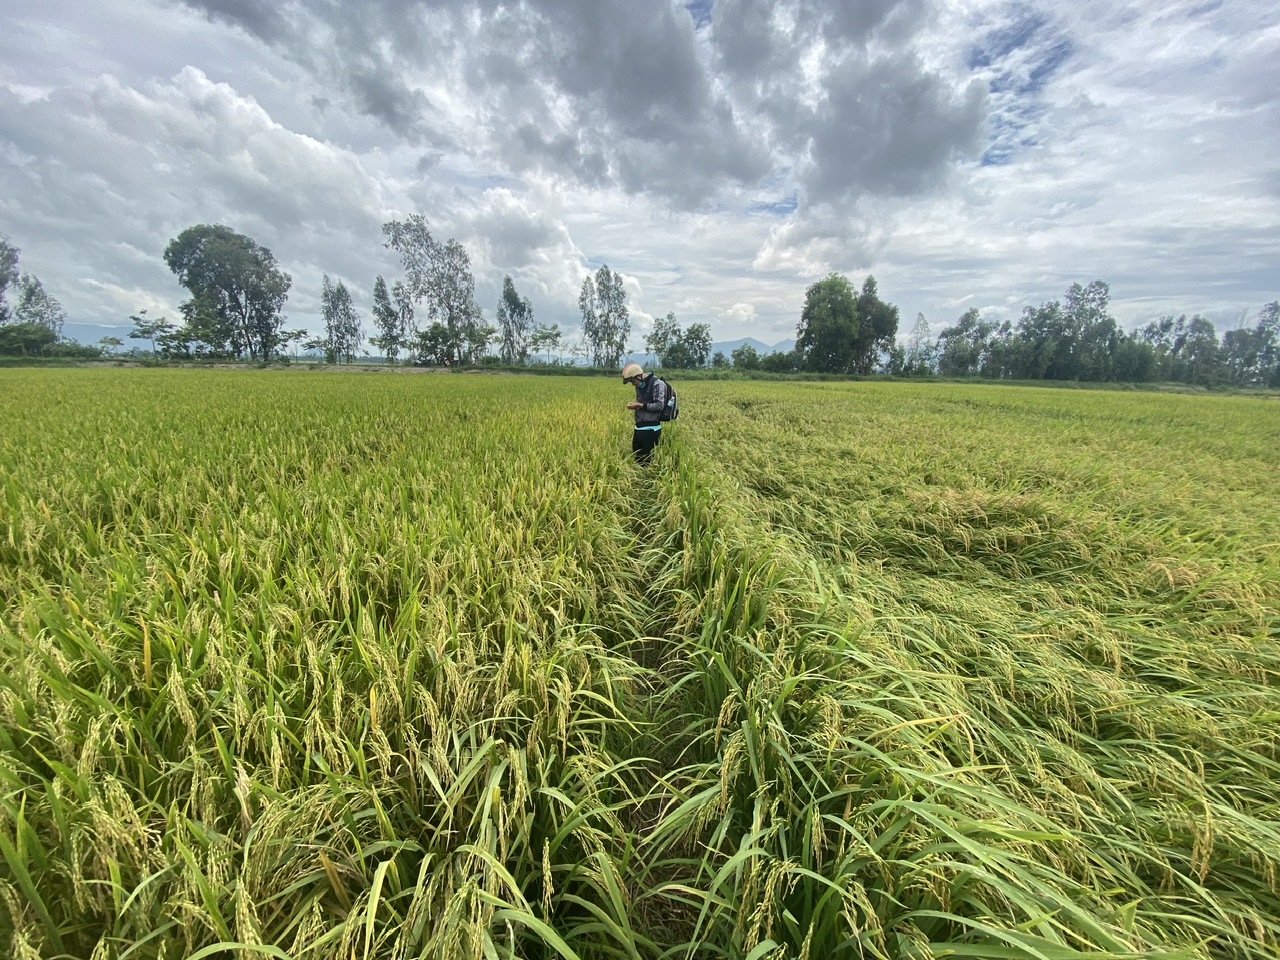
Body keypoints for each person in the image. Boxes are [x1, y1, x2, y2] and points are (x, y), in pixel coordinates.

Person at [622, 362, 667, 463]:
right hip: (639, 427)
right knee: (638, 459)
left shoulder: (657, 384)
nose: (632, 384)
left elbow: (659, 405)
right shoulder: (640, 386)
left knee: (648, 462)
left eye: (632, 381)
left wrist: (638, 405)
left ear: (638, 376)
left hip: (651, 429)